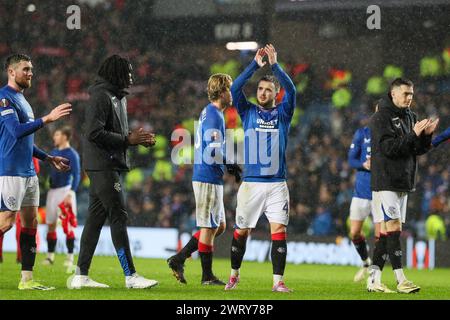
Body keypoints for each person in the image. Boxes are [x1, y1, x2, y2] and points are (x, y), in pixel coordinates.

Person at [68, 54, 158, 289]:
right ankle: (131, 276)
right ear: (116, 73)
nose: (131, 76)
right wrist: (128, 139)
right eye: (128, 72)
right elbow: (93, 133)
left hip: (107, 164)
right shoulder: (100, 96)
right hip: (102, 165)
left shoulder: (117, 97)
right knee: (118, 215)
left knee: (96, 220)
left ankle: (80, 275)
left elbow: (118, 136)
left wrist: (137, 141)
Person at [225, 44, 296, 293]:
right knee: (241, 231)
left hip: (277, 184)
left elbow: (293, 90)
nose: (263, 92)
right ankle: (234, 275)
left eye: (268, 89)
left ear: (276, 94)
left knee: (279, 231)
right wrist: (254, 65)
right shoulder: (248, 112)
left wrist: (275, 66)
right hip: (252, 184)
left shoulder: (284, 113)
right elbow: (234, 89)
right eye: (260, 89)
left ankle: (278, 282)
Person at [0, 53, 72, 290]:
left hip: (29, 172)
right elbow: (16, 131)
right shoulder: (4, 98)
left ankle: (27, 280)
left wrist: (48, 158)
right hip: (10, 170)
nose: (30, 73)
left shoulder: (23, 100)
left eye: (31, 69)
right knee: (6, 222)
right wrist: (48, 118)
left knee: (30, 222)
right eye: (25, 69)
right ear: (11, 72)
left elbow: (28, 142)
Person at [167, 73, 241, 285]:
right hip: (207, 176)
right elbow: (211, 147)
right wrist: (229, 164)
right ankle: (206, 276)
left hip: (210, 176)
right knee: (209, 227)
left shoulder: (212, 113)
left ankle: (179, 258)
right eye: (229, 89)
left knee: (219, 227)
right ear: (222, 92)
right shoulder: (214, 114)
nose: (232, 93)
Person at [368, 78, 439, 294]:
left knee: (385, 234)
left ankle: (373, 280)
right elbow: (388, 148)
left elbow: (415, 149)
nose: (409, 98)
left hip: (404, 180)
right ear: (393, 93)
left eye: (411, 94)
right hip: (386, 180)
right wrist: (413, 135)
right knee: (394, 229)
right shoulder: (381, 117)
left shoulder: (411, 117)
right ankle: (401, 280)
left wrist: (426, 137)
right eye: (405, 94)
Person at [42, 126, 80, 272]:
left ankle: (70, 257)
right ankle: (50, 256)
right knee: (50, 224)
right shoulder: (54, 152)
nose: (54, 137)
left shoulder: (72, 154)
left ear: (65, 136)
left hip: (65, 190)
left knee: (67, 225)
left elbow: (76, 175)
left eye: (57, 134)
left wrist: (71, 193)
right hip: (52, 191)